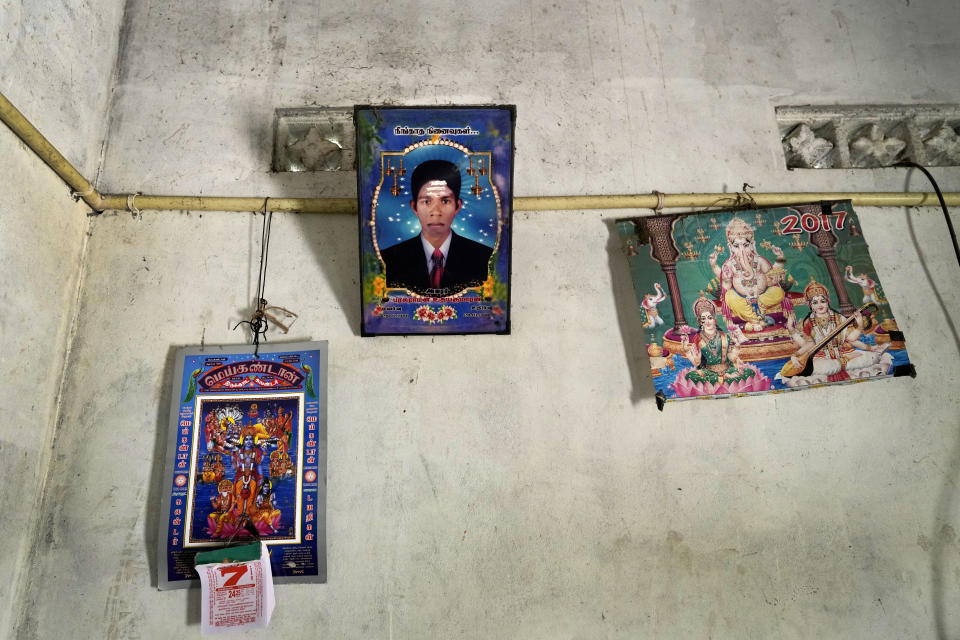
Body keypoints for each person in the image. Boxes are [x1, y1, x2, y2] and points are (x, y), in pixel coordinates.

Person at [380, 159, 493, 295]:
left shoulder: (485, 258)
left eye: (445, 201)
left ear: (457, 206)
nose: (436, 212)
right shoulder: (388, 260)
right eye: (427, 201)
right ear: (414, 207)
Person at [786, 278, 891, 383]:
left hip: (844, 353)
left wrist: (861, 328)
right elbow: (809, 344)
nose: (820, 305)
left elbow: (851, 339)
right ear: (811, 306)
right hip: (823, 358)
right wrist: (794, 354)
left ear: (828, 302)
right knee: (825, 367)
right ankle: (841, 364)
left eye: (823, 301)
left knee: (869, 357)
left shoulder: (839, 318)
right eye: (815, 302)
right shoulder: (809, 322)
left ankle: (842, 363)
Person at [709, 217, 792, 332]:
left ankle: (756, 317)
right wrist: (715, 266)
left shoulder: (759, 261)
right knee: (730, 297)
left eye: (745, 245)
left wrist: (780, 258)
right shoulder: (730, 264)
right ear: (731, 247)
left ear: (752, 244)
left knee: (778, 292)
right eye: (737, 246)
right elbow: (727, 287)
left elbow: (771, 280)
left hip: (762, 297)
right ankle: (758, 320)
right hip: (742, 299)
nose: (742, 250)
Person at [680, 294, 747, 385]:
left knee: (749, 373)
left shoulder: (724, 336)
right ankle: (724, 378)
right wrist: (686, 349)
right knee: (690, 376)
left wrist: (737, 345)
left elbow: (731, 358)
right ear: (700, 322)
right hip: (709, 372)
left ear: (714, 319)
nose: (707, 322)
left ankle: (724, 378)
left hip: (727, 369)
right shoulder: (698, 339)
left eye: (710, 318)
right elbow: (696, 362)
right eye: (704, 319)